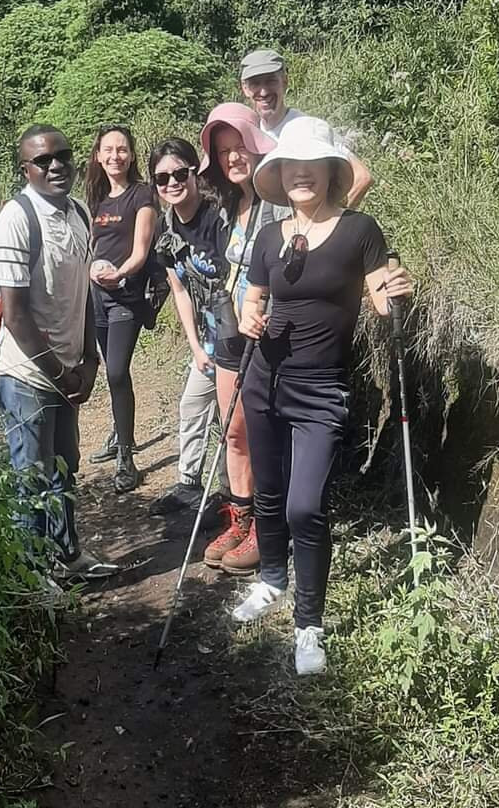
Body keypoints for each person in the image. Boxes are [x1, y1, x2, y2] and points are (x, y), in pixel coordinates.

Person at [233, 116, 412, 675]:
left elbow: (381, 300)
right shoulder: (269, 235)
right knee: (268, 492)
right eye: (292, 166)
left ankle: (309, 624)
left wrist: (396, 290)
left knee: (304, 506)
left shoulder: (361, 230)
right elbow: (253, 300)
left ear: (331, 172)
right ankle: (270, 580)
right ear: (280, 174)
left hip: (321, 387)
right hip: (264, 377)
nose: (301, 174)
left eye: (312, 165)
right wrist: (249, 316)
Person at [0, 124, 119, 581]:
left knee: (66, 468)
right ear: (26, 169)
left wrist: (90, 362)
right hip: (25, 374)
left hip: (66, 368)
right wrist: (62, 373)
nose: (56, 165)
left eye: (63, 155)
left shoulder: (77, 212)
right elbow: (16, 315)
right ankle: (33, 577)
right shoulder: (16, 219)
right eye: (43, 160)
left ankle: (68, 555)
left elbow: (82, 294)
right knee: (31, 480)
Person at [195, 102, 278, 575]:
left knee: (266, 433)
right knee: (234, 431)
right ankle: (240, 519)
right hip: (230, 330)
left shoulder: (279, 197)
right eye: (223, 152)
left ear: (255, 143)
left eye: (238, 146)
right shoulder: (231, 204)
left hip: (268, 333)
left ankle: (268, 528)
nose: (232, 158)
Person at [147, 138, 231, 517]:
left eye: (180, 173)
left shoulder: (219, 219)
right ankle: (188, 483)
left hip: (236, 335)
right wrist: (195, 347)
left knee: (233, 420)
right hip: (208, 337)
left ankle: (234, 496)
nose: (172, 183)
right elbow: (178, 290)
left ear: (195, 173)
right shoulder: (166, 229)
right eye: (163, 178)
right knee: (193, 403)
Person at [84, 124, 158, 493]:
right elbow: (90, 247)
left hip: (126, 296)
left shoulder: (142, 195)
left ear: (131, 155)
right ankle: (118, 432)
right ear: (98, 156)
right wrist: (92, 270)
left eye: (122, 149)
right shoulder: (96, 199)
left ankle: (126, 458)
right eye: (108, 150)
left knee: (116, 371)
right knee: (109, 370)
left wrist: (119, 273)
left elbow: (141, 252)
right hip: (96, 298)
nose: (116, 156)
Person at [239, 48, 373, 208]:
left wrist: (329, 221)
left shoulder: (307, 127)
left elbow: (362, 177)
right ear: (245, 89)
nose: (263, 91)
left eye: (270, 81)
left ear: (285, 82)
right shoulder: (251, 132)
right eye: (255, 83)